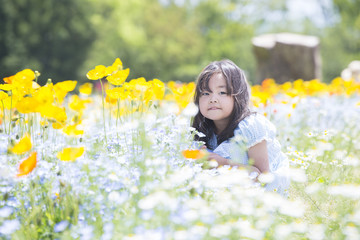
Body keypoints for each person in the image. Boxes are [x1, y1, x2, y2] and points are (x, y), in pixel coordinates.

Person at [191, 59, 289, 196]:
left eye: (222, 92)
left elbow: (262, 178)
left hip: (265, 196)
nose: (213, 99)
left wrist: (222, 163)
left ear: (238, 96)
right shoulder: (205, 129)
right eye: (206, 93)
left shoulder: (250, 126)